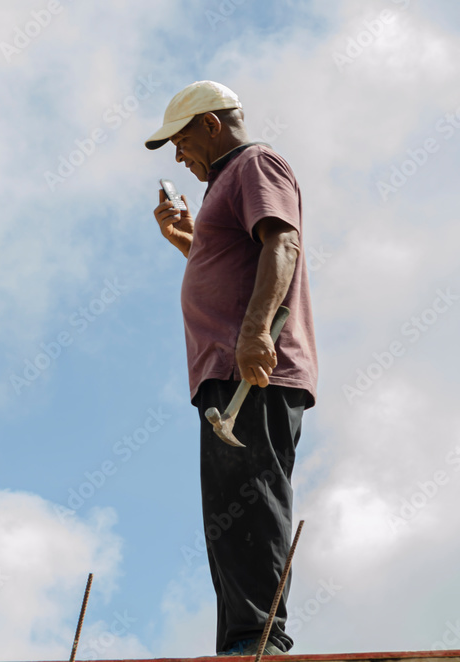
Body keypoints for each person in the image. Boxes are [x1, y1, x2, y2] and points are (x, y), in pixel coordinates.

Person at [145, 80, 318, 656]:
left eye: (182, 138)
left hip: (251, 372)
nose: (178, 153)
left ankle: (259, 638)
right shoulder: (229, 182)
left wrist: (254, 334)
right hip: (229, 373)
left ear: (212, 125)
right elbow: (232, 259)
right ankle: (243, 639)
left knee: (252, 496)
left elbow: (281, 246)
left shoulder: (254, 164)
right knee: (228, 511)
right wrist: (185, 238)